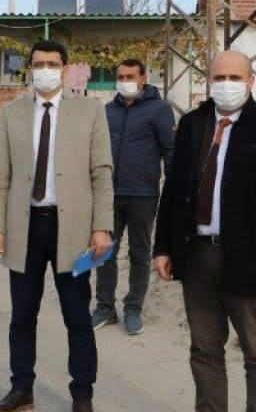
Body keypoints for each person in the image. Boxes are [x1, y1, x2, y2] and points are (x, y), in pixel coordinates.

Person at [153, 50, 256, 412]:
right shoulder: (193, 124)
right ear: (209, 81)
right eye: (219, 78)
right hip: (197, 257)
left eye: (234, 78)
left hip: (252, 259)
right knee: (205, 350)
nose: (226, 85)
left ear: (251, 82)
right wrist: (164, 246)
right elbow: (174, 189)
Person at [0, 40, 113, 412]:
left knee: (77, 318)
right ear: (29, 68)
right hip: (25, 229)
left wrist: (101, 226)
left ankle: (82, 395)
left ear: (65, 68)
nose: (45, 70)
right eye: (38, 63)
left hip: (71, 231)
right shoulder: (11, 113)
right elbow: (1, 174)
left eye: (52, 64)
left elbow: (102, 173)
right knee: (22, 317)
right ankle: (21, 389)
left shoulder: (90, 111)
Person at [91, 59, 174, 336]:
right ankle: (104, 307)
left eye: (130, 76)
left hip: (143, 194)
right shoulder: (107, 111)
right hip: (108, 195)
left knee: (139, 253)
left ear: (143, 78)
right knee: (104, 252)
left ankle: (133, 308)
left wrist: (173, 189)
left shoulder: (160, 110)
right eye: (121, 76)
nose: (125, 80)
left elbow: (169, 151)